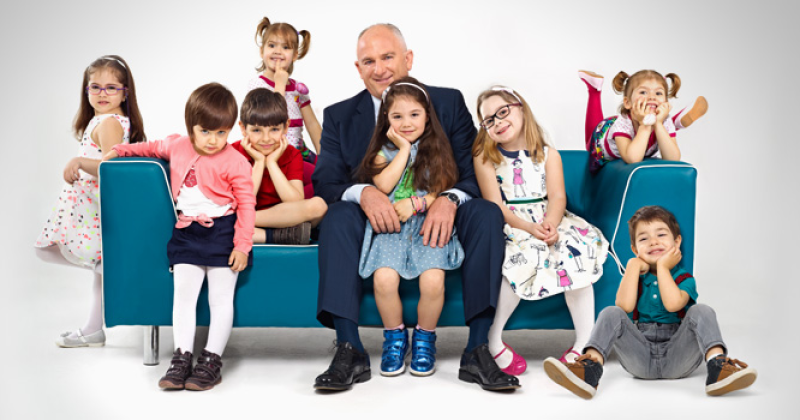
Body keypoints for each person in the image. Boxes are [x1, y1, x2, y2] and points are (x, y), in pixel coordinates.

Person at [312, 23, 519, 391]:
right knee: (338, 216)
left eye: (387, 57)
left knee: (486, 213)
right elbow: (326, 182)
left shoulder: (447, 102)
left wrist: (447, 199)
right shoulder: (339, 116)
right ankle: (349, 348)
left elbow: (472, 172)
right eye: (368, 61)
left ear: (408, 58)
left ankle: (477, 349)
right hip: (374, 219)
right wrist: (365, 193)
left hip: (436, 208)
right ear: (358, 68)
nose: (379, 69)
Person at [105, 83, 256, 391]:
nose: (213, 140)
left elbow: (246, 205)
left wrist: (242, 245)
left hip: (223, 232)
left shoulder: (236, 161)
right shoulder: (178, 145)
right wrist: (119, 150)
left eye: (222, 133)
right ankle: (182, 356)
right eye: (205, 132)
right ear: (191, 127)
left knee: (220, 298)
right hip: (187, 233)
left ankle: (211, 359)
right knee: (183, 296)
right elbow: (149, 147)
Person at [543, 206, 757, 399]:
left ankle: (718, 367)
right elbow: (624, 307)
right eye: (644, 239)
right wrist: (632, 266)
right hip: (639, 358)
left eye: (661, 235)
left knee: (702, 310)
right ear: (635, 249)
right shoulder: (635, 276)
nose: (653, 242)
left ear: (677, 242)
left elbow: (673, 305)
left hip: (678, 357)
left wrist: (663, 267)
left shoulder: (685, 279)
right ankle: (589, 370)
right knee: (610, 312)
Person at [473, 86, 609, 374]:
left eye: (503, 112)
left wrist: (551, 224)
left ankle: (584, 343)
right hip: (512, 221)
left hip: (549, 218)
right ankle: (493, 340)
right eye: (489, 120)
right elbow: (495, 205)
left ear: (520, 108)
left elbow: (557, 197)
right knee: (524, 255)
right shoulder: (485, 158)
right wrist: (528, 228)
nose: (498, 122)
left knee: (577, 252)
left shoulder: (548, 154)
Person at [355, 78, 464, 377]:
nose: (406, 123)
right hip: (392, 228)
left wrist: (417, 204)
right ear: (386, 119)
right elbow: (383, 185)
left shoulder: (437, 150)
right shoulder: (384, 152)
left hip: (427, 225)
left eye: (414, 114)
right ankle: (395, 337)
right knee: (384, 280)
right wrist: (403, 149)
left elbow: (441, 190)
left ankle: (425, 339)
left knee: (433, 282)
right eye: (397, 116)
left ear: (427, 116)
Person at [35, 55, 145, 348]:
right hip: (89, 205)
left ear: (125, 92)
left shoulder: (109, 123)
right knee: (96, 266)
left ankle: (111, 275)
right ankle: (93, 328)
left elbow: (112, 167)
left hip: (96, 207)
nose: (102, 93)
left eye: (111, 88)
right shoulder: (102, 120)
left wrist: (80, 162)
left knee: (52, 251)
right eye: (95, 87)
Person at [231, 88, 327, 244]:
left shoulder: (292, 154)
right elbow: (241, 202)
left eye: (274, 129)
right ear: (243, 128)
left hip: (283, 216)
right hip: (248, 213)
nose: (266, 139)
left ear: (286, 126)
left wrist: (271, 163)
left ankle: (246, 222)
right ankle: (275, 235)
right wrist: (259, 163)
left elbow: (294, 201)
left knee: (318, 206)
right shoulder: (233, 153)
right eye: (257, 130)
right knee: (215, 223)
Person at [580, 70, 708, 173]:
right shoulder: (622, 124)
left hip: (650, 128)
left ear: (666, 102)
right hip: (601, 137)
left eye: (658, 93)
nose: (652, 97)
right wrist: (645, 125)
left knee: (665, 127)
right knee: (589, 144)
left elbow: (673, 158)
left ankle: (676, 122)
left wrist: (658, 123)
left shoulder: (664, 122)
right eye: (643, 92)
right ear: (627, 102)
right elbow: (632, 158)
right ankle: (594, 91)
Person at [248, 16, 320, 198]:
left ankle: (297, 205)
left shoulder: (297, 88)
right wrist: (279, 84)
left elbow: (312, 125)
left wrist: (326, 156)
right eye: (272, 45)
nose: (278, 51)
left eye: (286, 47)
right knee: (319, 180)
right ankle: (294, 203)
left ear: (295, 55)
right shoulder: (257, 85)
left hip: (298, 152)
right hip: (275, 153)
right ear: (262, 51)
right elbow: (272, 118)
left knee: (331, 173)